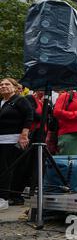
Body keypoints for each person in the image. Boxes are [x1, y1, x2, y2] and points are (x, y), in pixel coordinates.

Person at [0, 78, 33, 206]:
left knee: (7, 169)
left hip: (12, 140)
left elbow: (29, 115)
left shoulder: (20, 100)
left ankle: (4, 198)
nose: (3, 86)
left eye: (7, 84)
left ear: (14, 87)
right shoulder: (2, 102)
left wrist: (24, 135)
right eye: (1, 84)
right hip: (1, 140)